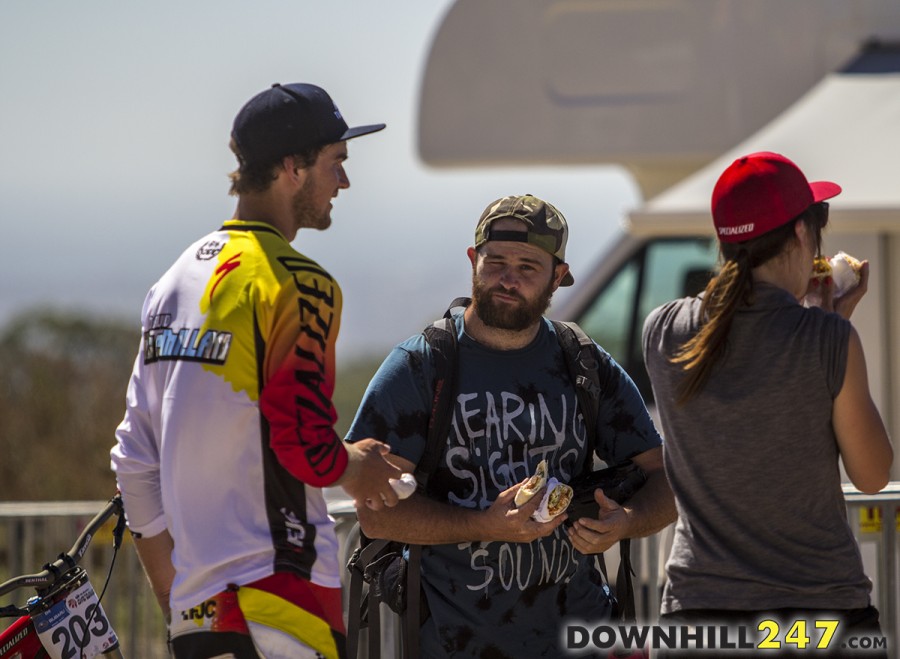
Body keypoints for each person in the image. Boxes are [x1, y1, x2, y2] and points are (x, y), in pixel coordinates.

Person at [110, 82, 404, 659]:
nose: (344, 183)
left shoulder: (171, 283)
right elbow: (307, 447)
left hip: (198, 606)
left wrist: (178, 594)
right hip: (284, 597)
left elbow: (133, 459)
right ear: (292, 168)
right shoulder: (299, 282)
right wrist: (357, 466)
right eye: (336, 163)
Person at [346, 194, 677, 658]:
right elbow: (374, 511)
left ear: (558, 277)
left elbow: (665, 476)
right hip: (456, 645)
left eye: (528, 267)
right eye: (495, 261)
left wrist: (628, 522)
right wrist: (483, 524)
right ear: (472, 260)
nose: (507, 279)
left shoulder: (582, 363)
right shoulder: (421, 367)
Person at [642, 152, 894, 657]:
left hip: (699, 615)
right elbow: (873, 475)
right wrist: (833, 325)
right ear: (802, 234)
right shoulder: (827, 339)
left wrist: (821, 322)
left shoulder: (663, 330)